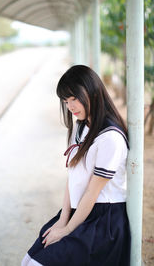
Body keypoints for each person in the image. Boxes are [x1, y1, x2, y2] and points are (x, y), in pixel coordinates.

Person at [21, 65, 131, 266]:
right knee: (28, 261)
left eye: (74, 98)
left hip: (103, 220)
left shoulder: (110, 138)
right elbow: (73, 178)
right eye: (66, 101)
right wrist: (63, 219)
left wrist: (68, 229)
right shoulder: (80, 126)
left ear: (92, 92)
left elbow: (92, 192)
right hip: (79, 211)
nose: (70, 106)